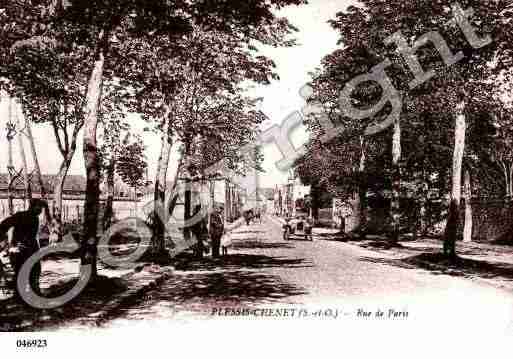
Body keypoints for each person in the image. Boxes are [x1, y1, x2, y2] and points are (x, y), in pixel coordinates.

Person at [0, 199, 47, 299]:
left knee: (35, 270)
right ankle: (20, 295)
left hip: (32, 249)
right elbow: (4, 225)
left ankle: (32, 294)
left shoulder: (35, 218)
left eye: (41, 209)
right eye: (39, 208)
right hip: (21, 250)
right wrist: (9, 245)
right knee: (22, 271)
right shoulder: (20, 216)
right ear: (32, 207)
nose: (40, 211)